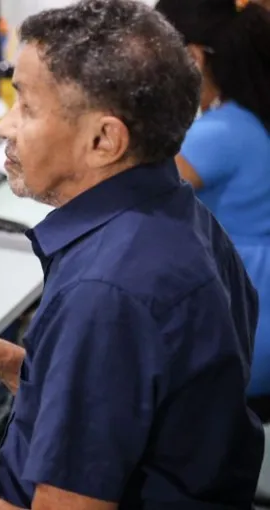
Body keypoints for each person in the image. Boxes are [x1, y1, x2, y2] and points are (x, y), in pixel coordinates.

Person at [0, 0, 265, 508]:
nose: (4, 127)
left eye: (27, 108)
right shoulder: (182, 218)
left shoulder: (106, 295)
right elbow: (143, 402)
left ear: (104, 140)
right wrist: (9, 361)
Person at [155, 0, 270, 417]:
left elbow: (129, 188)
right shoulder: (245, 116)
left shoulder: (219, 134)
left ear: (193, 57)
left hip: (244, 337)